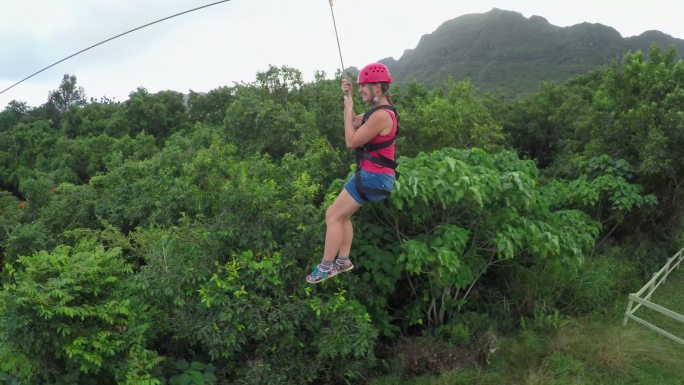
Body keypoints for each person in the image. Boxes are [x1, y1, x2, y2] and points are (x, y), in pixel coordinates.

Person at [306, 63, 399, 284]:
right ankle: (343, 261)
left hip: (373, 176)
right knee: (343, 216)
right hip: (376, 176)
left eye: (363, 87)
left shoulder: (381, 115)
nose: (360, 90)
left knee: (332, 215)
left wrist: (348, 109)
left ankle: (326, 267)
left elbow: (351, 140)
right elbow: (355, 123)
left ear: (377, 87)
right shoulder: (379, 112)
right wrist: (348, 101)